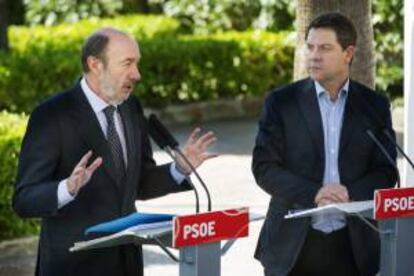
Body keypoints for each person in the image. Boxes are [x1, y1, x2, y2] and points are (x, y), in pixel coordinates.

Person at [13, 28, 217, 276]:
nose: (137, 74)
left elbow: (138, 183)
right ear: (95, 64)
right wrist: (67, 188)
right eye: (128, 63)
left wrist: (179, 170)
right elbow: (24, 199)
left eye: (137, 63)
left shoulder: (131, 107)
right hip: (74, 265)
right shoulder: (53, 115)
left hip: (127, 264)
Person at [252, 12, 397, 276]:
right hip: (292, 247)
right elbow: (264, 168)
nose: (314, 55)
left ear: (348, 53)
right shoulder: (281, 103)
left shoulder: (373, 106)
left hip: (354, 246)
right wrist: (315, 192)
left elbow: (386, 172)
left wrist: (349, 191)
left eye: (325, 48)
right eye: (310, 47)